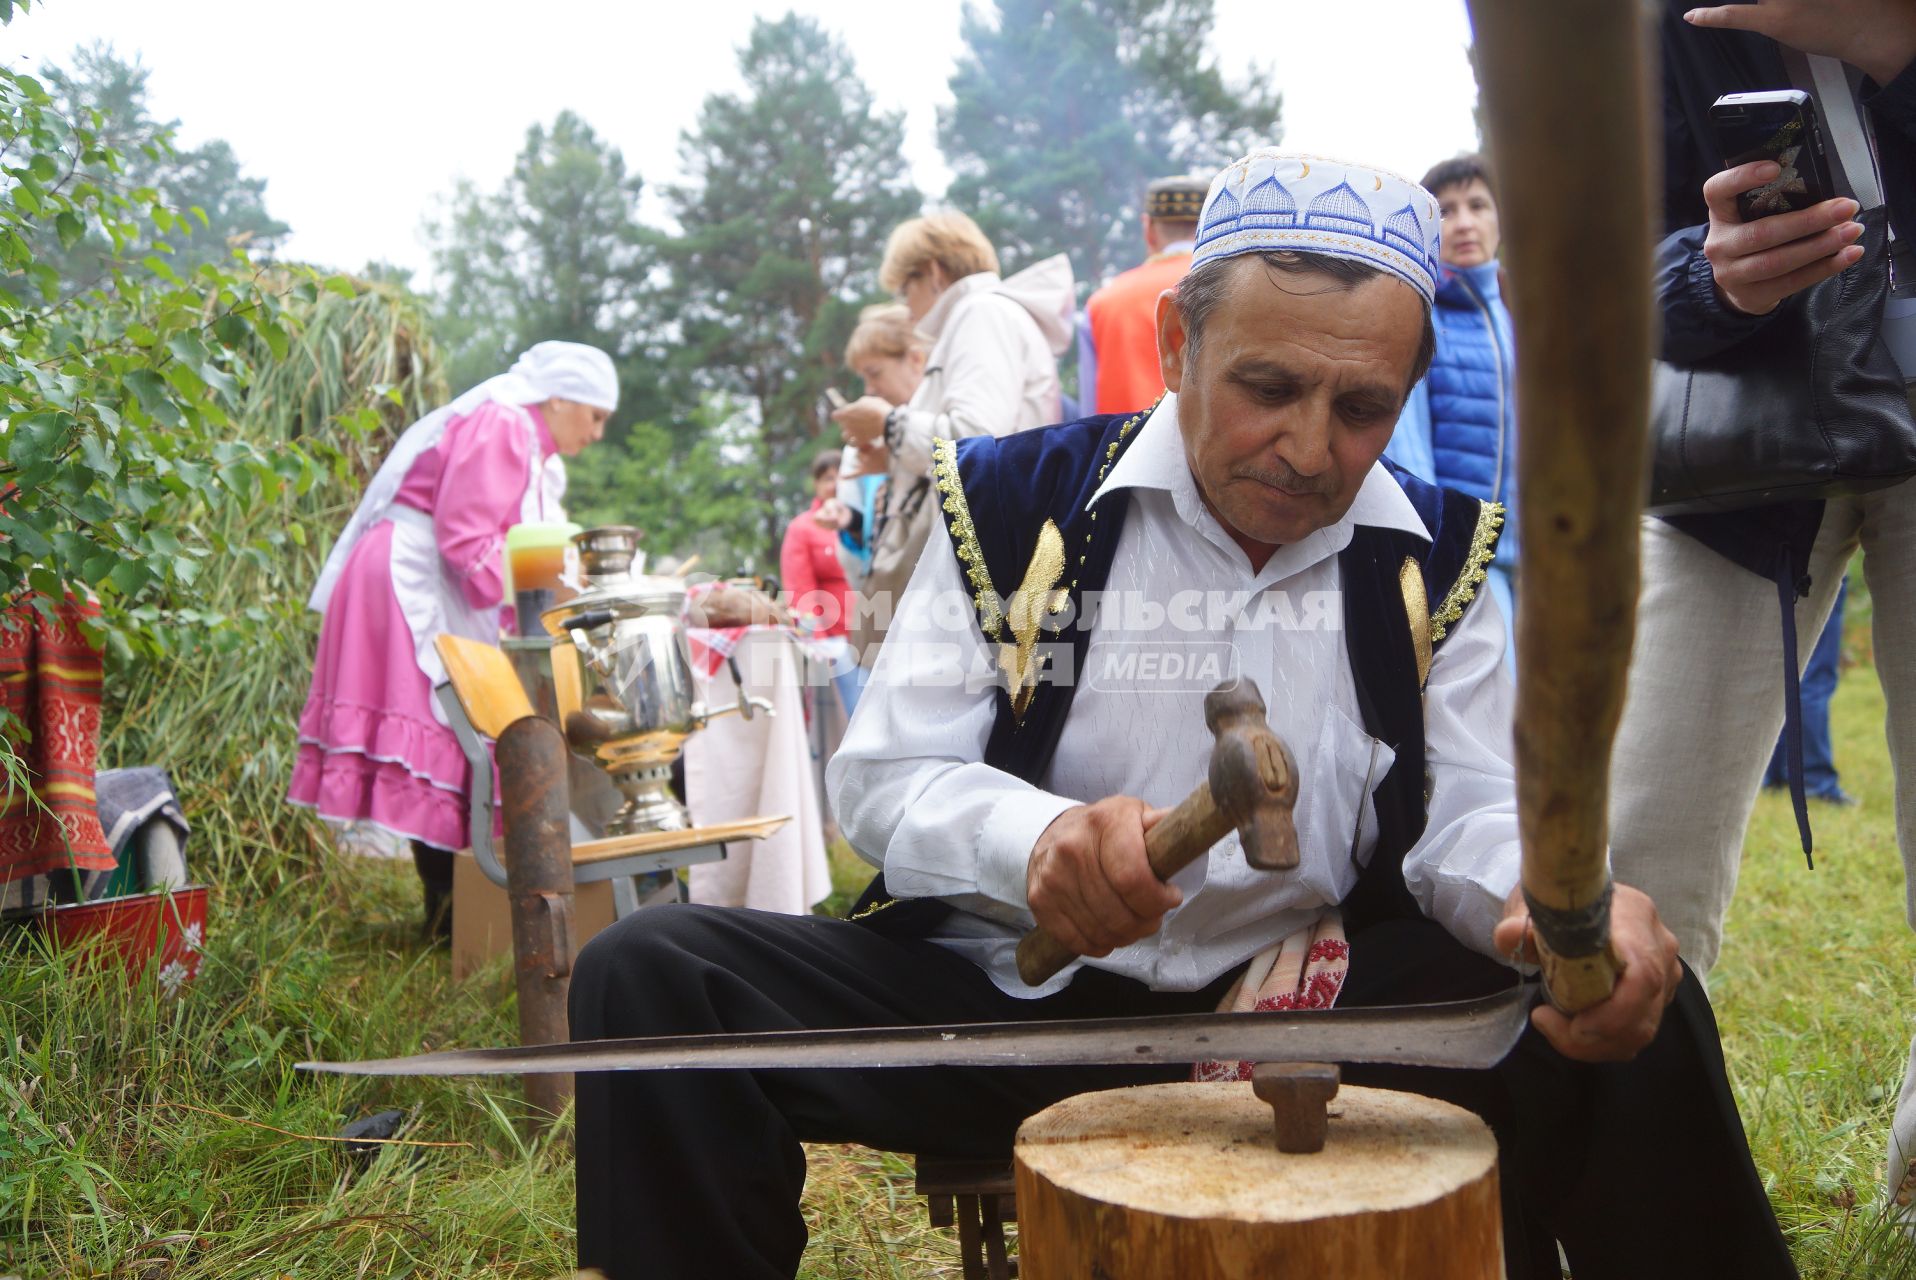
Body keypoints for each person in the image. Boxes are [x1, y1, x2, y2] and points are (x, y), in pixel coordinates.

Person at [568, 151, 1793, 1280]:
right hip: (1001, 1012)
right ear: (1173, 340)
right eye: (1265, 387)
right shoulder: (1011, 506)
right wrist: (1033, 841)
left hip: (1303, 1004)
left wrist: (1539, 903)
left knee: (1622, 993)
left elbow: (1467, 816)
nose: (1308, 449)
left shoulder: (1436, 556)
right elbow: (888, 779)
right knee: (655, 974)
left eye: (1360, 407)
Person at [1606, 0, 1916, 1219]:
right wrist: (1704, 276)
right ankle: (1626, 1186)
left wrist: (1893, 48)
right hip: (1731, 463)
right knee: (1637, 839)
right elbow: (1580, 267)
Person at [288, 341, 616, 937]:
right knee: (450, 731)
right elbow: (466, 540)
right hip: (407, 582)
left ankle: (454, 911)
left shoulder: (525, 439)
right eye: (596, 416)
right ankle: (448, 913)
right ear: (560, 396)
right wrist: (549, 585)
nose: (598, 434)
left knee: (459, 736)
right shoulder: (504, 423)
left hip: (435, 581)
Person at [830, 211, 1073, 664]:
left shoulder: (981, 313)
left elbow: (977, 443)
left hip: (979, 574)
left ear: (935, 273)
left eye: (905, 289)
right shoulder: (983, 315)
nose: (906, 307)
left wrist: (889, 424)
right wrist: (893, 456)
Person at [1385, 153, 1519, 655]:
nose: (1464, 222)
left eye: (1478, 205)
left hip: (1540, 561)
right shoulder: (1423, 314)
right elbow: (1409, 447)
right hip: (1463, 558)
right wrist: (1432, 551)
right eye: (1446, 209)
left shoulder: (1522, 314)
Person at [1078, 172, 1210, 414]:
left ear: (1148, 228)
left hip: (1125, 449)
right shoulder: (1236, 289)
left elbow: (1088, 411)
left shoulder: (1103, 303)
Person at [830, 303, 929, 583]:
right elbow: (869, 546)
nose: (869, 390)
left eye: (875, 373)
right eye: (864, 378)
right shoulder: (879, 444)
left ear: (915, 359)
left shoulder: (938, 430)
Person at [780, 451, 865, 717]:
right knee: (860, 717)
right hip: (838, 643)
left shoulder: (864, 521)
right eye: (828, 477)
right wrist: (819, 644)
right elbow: (800, 592)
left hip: (878, 634)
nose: (836, 483)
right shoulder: (803, 528)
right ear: (816, 484)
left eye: (842, 475)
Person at [1762, 576, 1855, 805]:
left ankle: (1775, 774)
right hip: (1817, 566)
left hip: (1773, 562)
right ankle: (1814, 781)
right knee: (1814, 678)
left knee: (1780, 672)